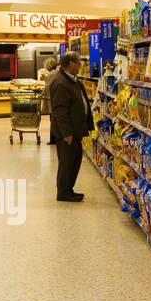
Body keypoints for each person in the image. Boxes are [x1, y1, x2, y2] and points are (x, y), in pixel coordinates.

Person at [48, 51, 92, 202]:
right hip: (68, 133)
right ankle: (64, 192)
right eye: (79, 63)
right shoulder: (61, 83)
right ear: (71, 64)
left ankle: (69, 189)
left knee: (74, 161)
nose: (81, 65)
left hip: (76, 130)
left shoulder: (72, 80)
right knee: (67, 163)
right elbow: (60, 112)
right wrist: (66, 133)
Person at [38, 57, 59, 144]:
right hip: (54, 98)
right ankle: (54, 138)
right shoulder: (54, 73)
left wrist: (41, 95)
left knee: (53, 120)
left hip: (52, 100)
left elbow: (48, 86)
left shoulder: (52, 73)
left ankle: (53, 139)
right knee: (53, 119)